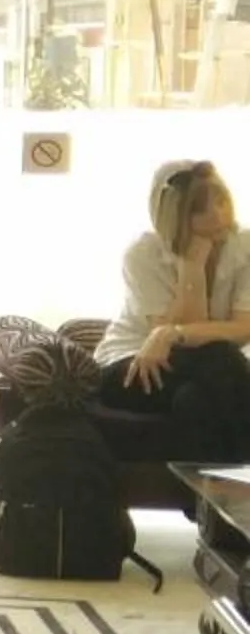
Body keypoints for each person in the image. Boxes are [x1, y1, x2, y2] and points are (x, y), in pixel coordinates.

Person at [96, 159, 250, 458]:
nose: (217, 215)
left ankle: (209, 501)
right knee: (223, 357)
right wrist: (192, 266)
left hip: (199, 369)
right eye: (199, 209)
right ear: (172, 214)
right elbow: (191, 345)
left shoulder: (245, 246)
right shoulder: (143, 253)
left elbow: (244, 327)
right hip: (135, 363)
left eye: (221, 201)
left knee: (195, 400)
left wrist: (172, 333)